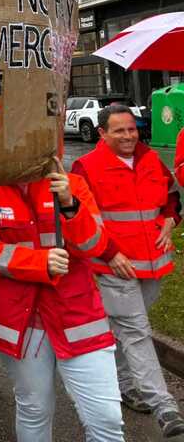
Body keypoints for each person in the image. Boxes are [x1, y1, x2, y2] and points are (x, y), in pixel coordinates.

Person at [0, 164, 124, 442]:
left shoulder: (72, 184)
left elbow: (96, 246)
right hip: (19, 321)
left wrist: (69, 205)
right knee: (34, 408)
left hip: (77, 316)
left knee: (107, 418)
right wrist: (39, 262)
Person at [71, 104, 184, 436]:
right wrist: (108, 254)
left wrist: (170, 219)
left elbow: (172, 197)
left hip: (154, 265)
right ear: (102, 133)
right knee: (135, 330)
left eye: (132, 129)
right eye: (119, 130)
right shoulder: (85, 167)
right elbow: (76, 220)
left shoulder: (149, 159)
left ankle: (120, 383)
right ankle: (165, 406)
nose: (128, 135)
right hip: (114, 267)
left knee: (125, 328)